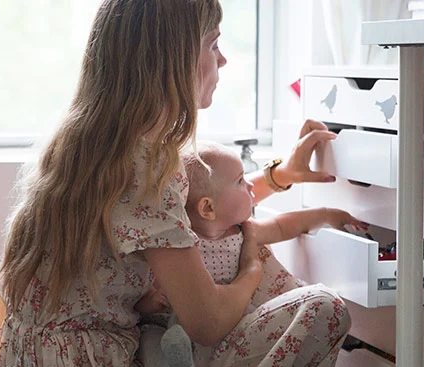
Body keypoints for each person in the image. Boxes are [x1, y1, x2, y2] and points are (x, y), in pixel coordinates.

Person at [0, 0, 348, 365]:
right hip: (97, 358)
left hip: (34, 354)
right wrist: (251, 268)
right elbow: (208, 322)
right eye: (213, 45)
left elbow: (189, 208)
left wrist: (278, 176)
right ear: (174, 62)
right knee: (327, 309)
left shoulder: (87, 143)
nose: (222, 59)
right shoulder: (149, 166)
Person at [136, 142, 367, 366]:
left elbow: (285, 225)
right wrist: (152, 302)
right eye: (240, 181)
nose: (251, 185)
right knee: (153, 339)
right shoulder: (177, 250)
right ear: (208, 208)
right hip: (192, 340)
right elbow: (142, 302)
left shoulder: (244, 231)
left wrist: (326, 214)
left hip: (239, 333)